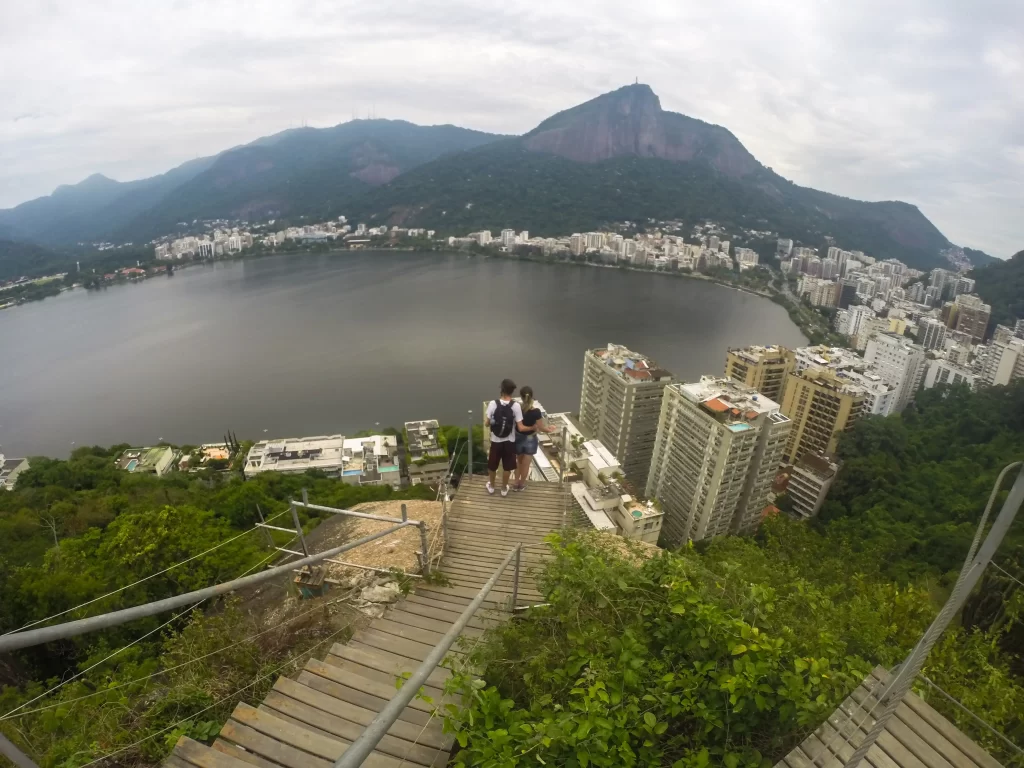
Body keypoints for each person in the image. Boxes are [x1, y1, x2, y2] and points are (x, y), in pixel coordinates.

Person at [513, 386, 556, 491]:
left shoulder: (517, 408)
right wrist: (549, 429)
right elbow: (541, 428)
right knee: (526, 464)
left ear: (522, 397)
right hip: (530, 439)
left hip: (518, 438)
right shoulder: (536, 411)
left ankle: (515, 484)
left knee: (519, 462)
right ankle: (521, 485)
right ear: (531, 397)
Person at [485, 378, 522, 496]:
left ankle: (491, 486)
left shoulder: (493, 403)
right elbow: (520, 425)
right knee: (507, 467)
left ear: (502, 390)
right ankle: (504, 489)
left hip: (496, 441)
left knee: (492, 465)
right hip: (510, 441)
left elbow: (487, 423)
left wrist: (492, 422)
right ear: (512, 391)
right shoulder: (516, 406)